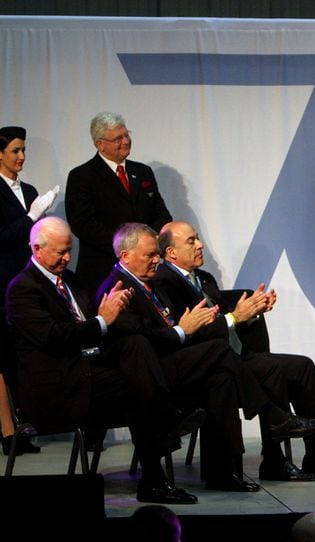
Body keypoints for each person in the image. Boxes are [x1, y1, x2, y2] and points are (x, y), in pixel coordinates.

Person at [96, 222, 315, 490]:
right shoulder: (120, 288)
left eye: (155, 254)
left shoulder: (164, 281)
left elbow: (192, 321)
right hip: (155, 373)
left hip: (189, 357)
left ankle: (229, 469)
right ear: (126, 256)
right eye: (150, 255)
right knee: (233, 359)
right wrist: (182, 331)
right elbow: (143, 339)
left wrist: (249, 313)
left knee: (226, 376)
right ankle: (273, 418)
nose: (156, 259)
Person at [4, 216, 204, 504]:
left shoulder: (69, 280)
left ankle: (160, 449)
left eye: (69, 250)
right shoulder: (23, 289)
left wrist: (103, 322)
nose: (67, 258)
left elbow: (91, 325)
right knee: (138, 388)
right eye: (60, 252)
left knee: (134, 345)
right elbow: (54, 338)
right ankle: (164, 437)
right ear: (36, 249)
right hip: (57, 387)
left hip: (88, 371)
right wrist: (101, 321)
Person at [154, 220, 315, 480]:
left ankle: (314, 454)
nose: (200, 245)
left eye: (198, 238)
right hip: (211, 363)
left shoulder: (204, 279)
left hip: (236, 353)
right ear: (171, 253)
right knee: (272, 369)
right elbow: (192, 335)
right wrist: (235, 316)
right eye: (191, 241)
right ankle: (275, 461)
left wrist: (251, 314)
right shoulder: (165, 283)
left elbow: (229, 323)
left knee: (303, 366)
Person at [65, 111, 172, 293]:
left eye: (126, 135)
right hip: (104, 271)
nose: (125, 141)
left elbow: (160, 213)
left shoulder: (143, 172)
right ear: (100, 144)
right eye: (117, 139)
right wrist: (128, 248)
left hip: (145, 270)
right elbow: (83, 225)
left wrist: (150, 244)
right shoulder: (82, 176)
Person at [0, 125, 59, 455]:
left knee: (25, 353)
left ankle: (23, 426)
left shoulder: (30, 188)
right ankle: (7, 432)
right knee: (4, 355)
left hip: (29, 282)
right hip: (3, 282)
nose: (21, 157)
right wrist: (30, 217)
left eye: (23, 151)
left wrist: (40, 223)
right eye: (15, 151)